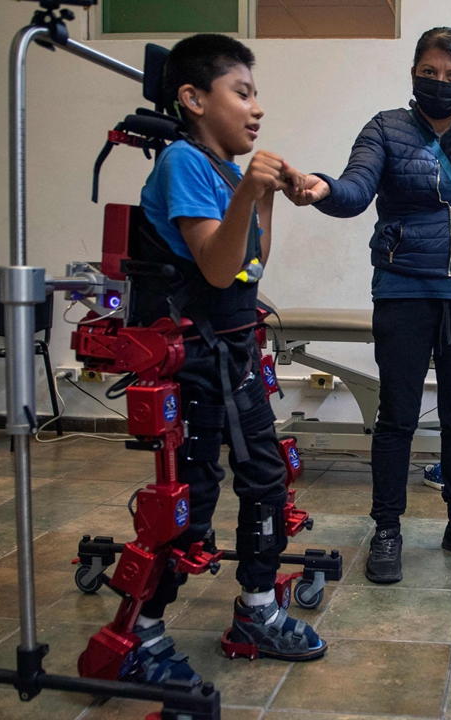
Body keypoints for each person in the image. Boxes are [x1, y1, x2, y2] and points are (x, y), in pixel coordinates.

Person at [286, 27, 451, 585]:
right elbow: (355, 189)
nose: (441, 83)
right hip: (403, 289)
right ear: (414, 73)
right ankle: (388, 530)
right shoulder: (386, 128)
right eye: (430, 72)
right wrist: (323, 189)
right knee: (396, 417)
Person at [128, 34, 325, 683]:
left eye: (254, 93)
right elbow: (215, 270)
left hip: (233, 351)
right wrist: (251, 188)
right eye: (241, 92)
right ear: (192, 98)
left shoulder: (223, 173)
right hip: (195, 357)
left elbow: (249, 262)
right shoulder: (183, 162)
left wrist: (263, 192)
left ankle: (258, 609)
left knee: (266, 481)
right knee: (193, 496)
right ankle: (140, 633)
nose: (255, 106)